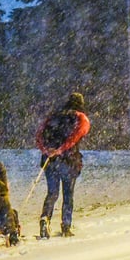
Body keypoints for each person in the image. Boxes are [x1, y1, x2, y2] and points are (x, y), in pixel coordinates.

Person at [35, 92, 91, 238]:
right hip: (68, 161)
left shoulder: (55, 116)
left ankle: (45, 219)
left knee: (52, 193)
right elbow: (76, 137)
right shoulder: (81, 118)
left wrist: (47, 150)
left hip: (49, 160)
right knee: (68, 195)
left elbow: (39, 134)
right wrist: (61, 150)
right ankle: (66, 226)